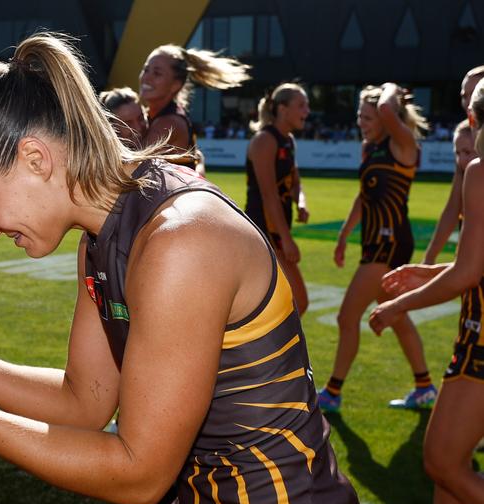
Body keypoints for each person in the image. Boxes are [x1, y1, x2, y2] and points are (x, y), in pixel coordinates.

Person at [0, 33, 370, 504]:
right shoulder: (103, 236)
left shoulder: (180, 241)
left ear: (36, 158)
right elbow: (84, 403)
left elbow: (140, 475)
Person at [369, 79, 484, 504]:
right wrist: (430, 272)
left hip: (480, 341)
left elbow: (470, 271)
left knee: (440, 461)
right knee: (453, 459)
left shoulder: (480, 171)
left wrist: (398, 306)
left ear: (474, 119)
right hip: (474, 332)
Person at [316, 82, 435, 413]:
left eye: (367, 115)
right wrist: (344, 234)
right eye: (359, 115)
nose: (360, 121)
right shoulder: (371, 148)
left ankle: (333, 392)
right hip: (376, 242)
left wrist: (389, 88)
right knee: (396, 316)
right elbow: (364, 196)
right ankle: (425, 386)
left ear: (387, 117)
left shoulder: (404, 144)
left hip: (389, 242)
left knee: (346, 316)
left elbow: (386, 106)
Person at [245, 83, 311, 314]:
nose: (307, 111)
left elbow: (294, 179)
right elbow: (268, 195)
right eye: (301, 105)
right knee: (298, 302)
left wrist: (300, 201)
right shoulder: (265, 141)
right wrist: (286, 239)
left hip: (275, 231)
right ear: (282, 109)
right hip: (264, 232)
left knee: (277, 307)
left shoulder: (288, 140)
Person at [139, 43, 250, 169]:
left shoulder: (169, 123)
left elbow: (131, 165)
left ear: (175, 85)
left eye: (157, 73)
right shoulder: (154, 115)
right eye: (145, 69)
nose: (146, 77)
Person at [422, 65, 484, 265]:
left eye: (474, 94)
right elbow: (453, 207)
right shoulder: (466, 137)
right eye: (464, 96)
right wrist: (429, 258)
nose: (468, 103)